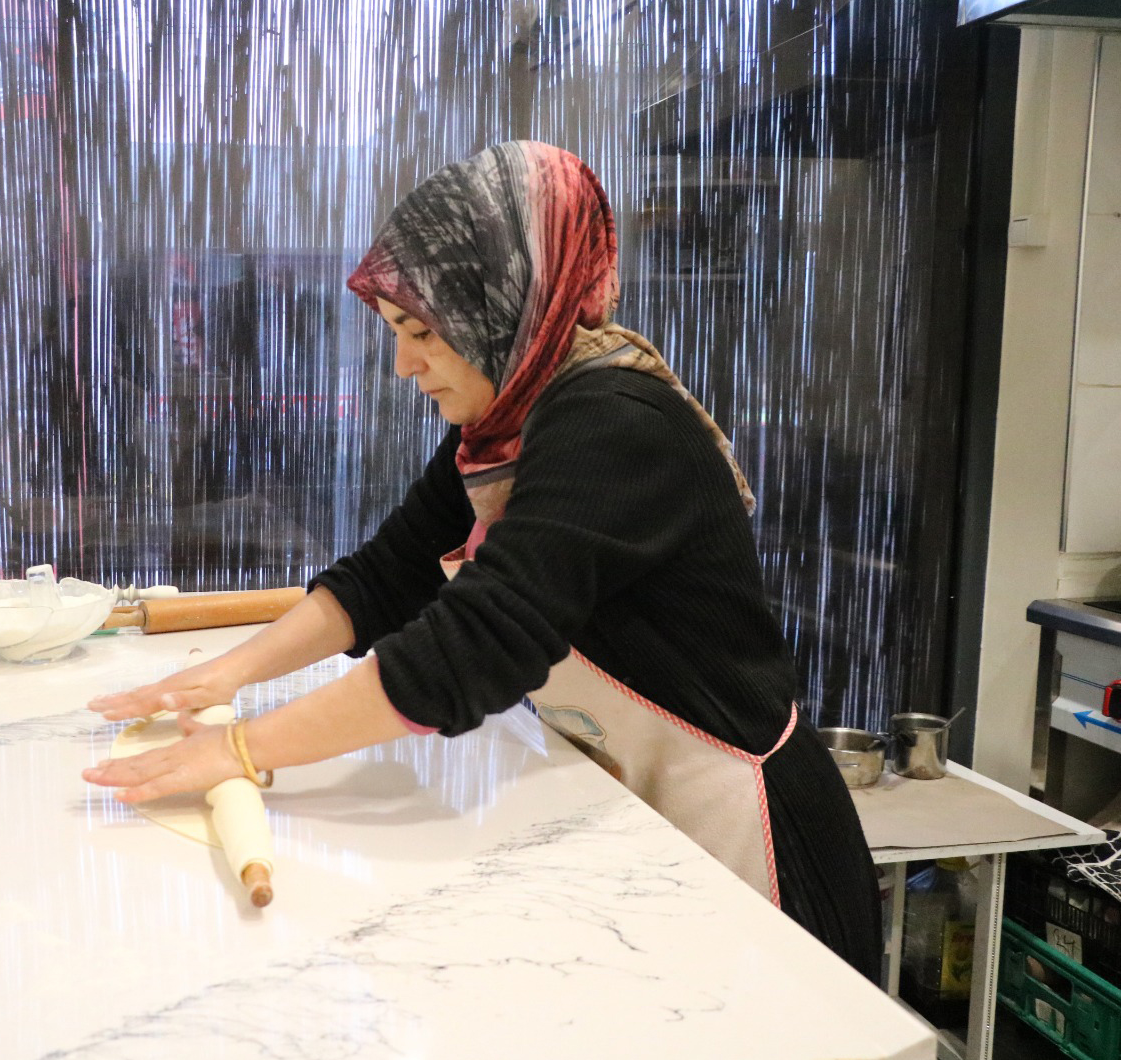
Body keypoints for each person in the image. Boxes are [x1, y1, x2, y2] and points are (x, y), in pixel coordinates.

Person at [83, 141, 882, 980]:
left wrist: (241, 751)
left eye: (422, 332)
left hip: (747, 836)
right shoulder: (503, 431)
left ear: (498, 308)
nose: (404, 365)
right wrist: (223, 677)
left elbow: (476, 644)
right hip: (639, 807)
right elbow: (388, 574)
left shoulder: (614, 424)